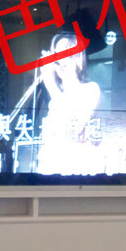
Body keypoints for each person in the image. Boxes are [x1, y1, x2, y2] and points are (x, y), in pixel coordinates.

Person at [37, 33, 102, 176]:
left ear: (79, 59)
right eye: (57, 55)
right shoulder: (55, 97)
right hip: (51, 169)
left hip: (76, 171)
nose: (61, 61)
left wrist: (50, 84)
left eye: (67, 54)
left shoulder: (91, 89)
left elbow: (75, 125)